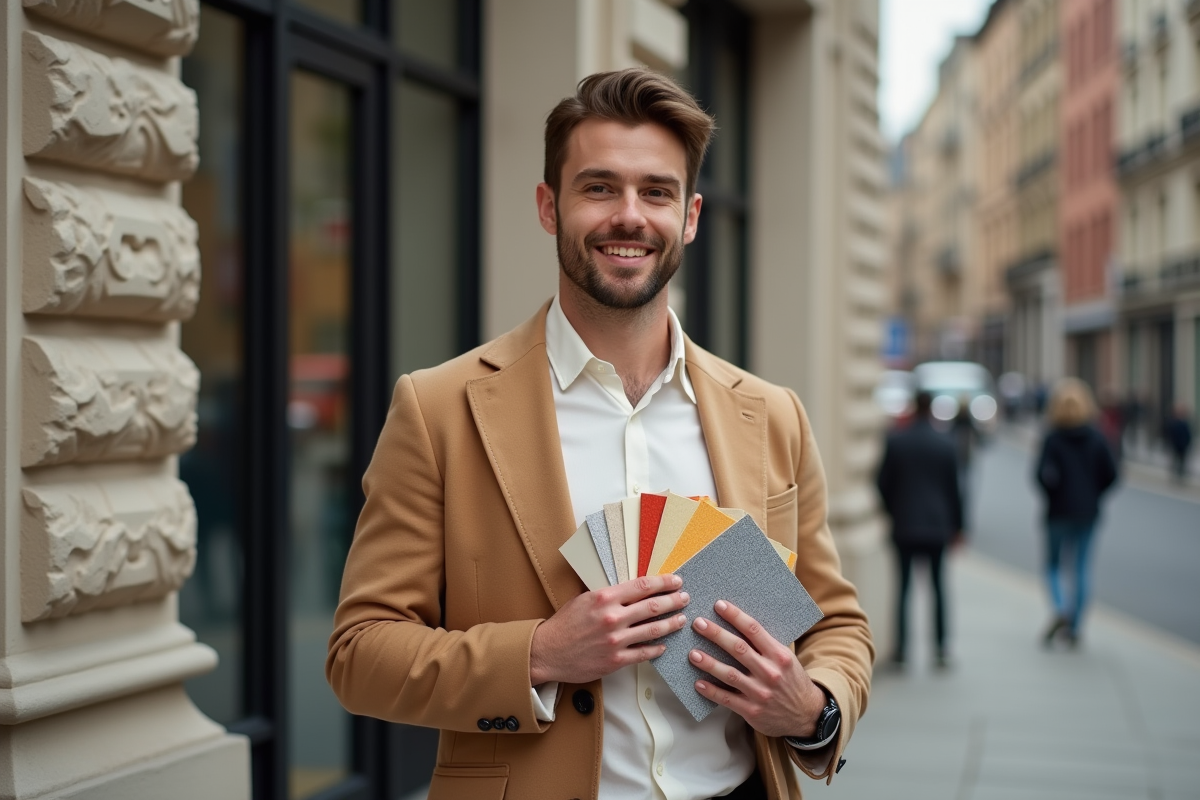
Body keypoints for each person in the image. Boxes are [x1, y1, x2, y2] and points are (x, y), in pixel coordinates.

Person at [326, 69, 873, 800]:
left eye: (656, 191)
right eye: (599, 187)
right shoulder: (440, 409)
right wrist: (540, 654)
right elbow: (359, 654)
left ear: (690, 216)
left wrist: (810, 707)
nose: (629, 216)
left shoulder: (772, 415)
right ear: (550, 207)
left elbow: (836, 623)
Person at [875, 390, 963, 669]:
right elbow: (956, 491)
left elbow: (881, 482)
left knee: (903, 589)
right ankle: (940, 649)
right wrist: (958, 526)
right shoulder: (946, 443)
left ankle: (901, 651)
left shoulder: (897, 441)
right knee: (938, 588)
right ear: (933, 409)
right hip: (937, 526)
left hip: (905, 524)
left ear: (913, 407)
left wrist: (893, 510)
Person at [1034, 378, 1117, 647]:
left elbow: (1039, 475)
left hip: (1058, 511)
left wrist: (1053, 494)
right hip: (1087, 512)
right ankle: (1076, 625)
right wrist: (1094, 495)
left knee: (1054, 566)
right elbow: (1111, 474)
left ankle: (1060, 608)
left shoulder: (1053, 437)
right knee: (1081, 568)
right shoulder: (1096, 437)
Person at [1163, 404, 1193, 484]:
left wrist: (1188, 443)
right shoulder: (1173, 422)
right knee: (1175, 461)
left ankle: (1181, 475)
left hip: (1183, 446)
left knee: (1182, 462)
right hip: (1176, 445)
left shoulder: (1185, 422)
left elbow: (1188, 434)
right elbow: (1170, 434)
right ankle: (1175, 475)